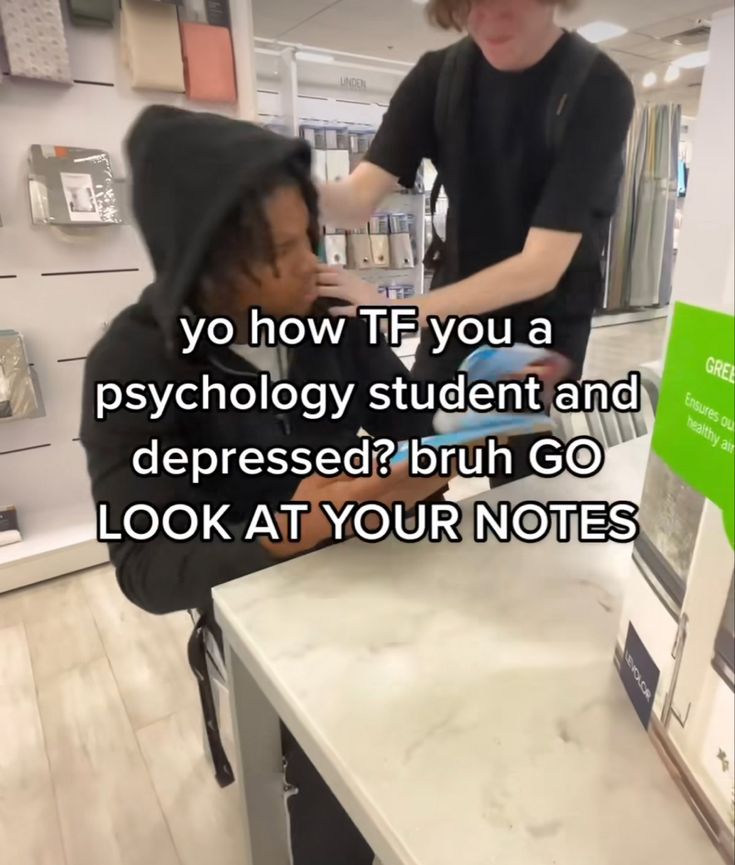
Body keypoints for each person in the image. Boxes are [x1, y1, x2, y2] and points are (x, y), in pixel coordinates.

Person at [80, 105, 446, 865]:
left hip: (385, 582)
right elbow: (145, 566)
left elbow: (413, 430)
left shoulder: (333, 314)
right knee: (331, 816)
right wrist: (291, 529)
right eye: (285, 249)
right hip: (264, 623)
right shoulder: (134, 364)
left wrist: (422, 472)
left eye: (310, 232)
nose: (314, 260)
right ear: (208, 261)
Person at [318, 0, 635, 397]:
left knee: (498, 454)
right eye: (472, 4)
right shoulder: (438, 76)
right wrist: (276, 173)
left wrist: (395, 315)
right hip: (452, 311)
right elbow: (354, 201)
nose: (488, 19)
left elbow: (540, 268)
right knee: (423, 436)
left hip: (541, 329)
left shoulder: (598, 87)